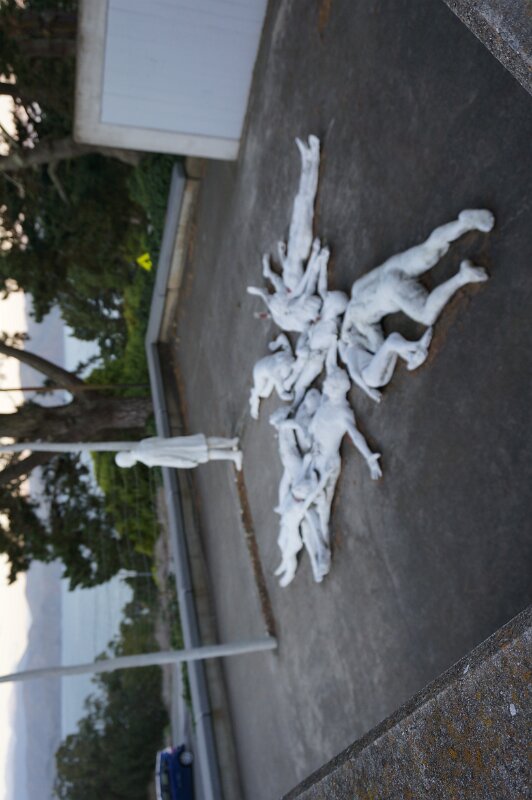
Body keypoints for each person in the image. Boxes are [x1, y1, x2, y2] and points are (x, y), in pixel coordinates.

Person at [114, 434, 242, 471]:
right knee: (204, 442)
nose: (128, 466)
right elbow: (158, 438)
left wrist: (185, 463)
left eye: (126, 465)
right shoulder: (142, 444)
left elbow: (169, 460)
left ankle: (234, 455)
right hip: (176, 443)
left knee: (206, 454)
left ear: (127, 461)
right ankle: (231, 442)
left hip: (179, 454)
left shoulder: (147, 460)